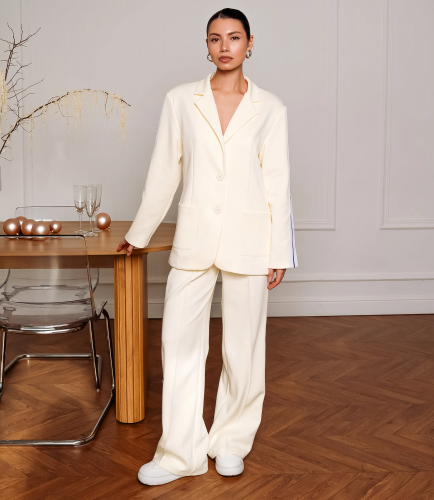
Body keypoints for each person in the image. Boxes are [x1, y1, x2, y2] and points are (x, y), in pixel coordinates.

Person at [117, 7, 298, 487]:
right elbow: (164, 170)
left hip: (250, 240)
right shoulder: (181, 100)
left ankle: (231, 443)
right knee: (178, 345)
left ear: (250, 44)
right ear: (207, 46)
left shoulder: (271, 108)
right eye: (215, 38)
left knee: (243, 351)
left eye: (234, 37)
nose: (224, 46)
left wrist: (280, 252)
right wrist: (139, 233)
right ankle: (180, 454)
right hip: (195, 238)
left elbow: (278, 183)